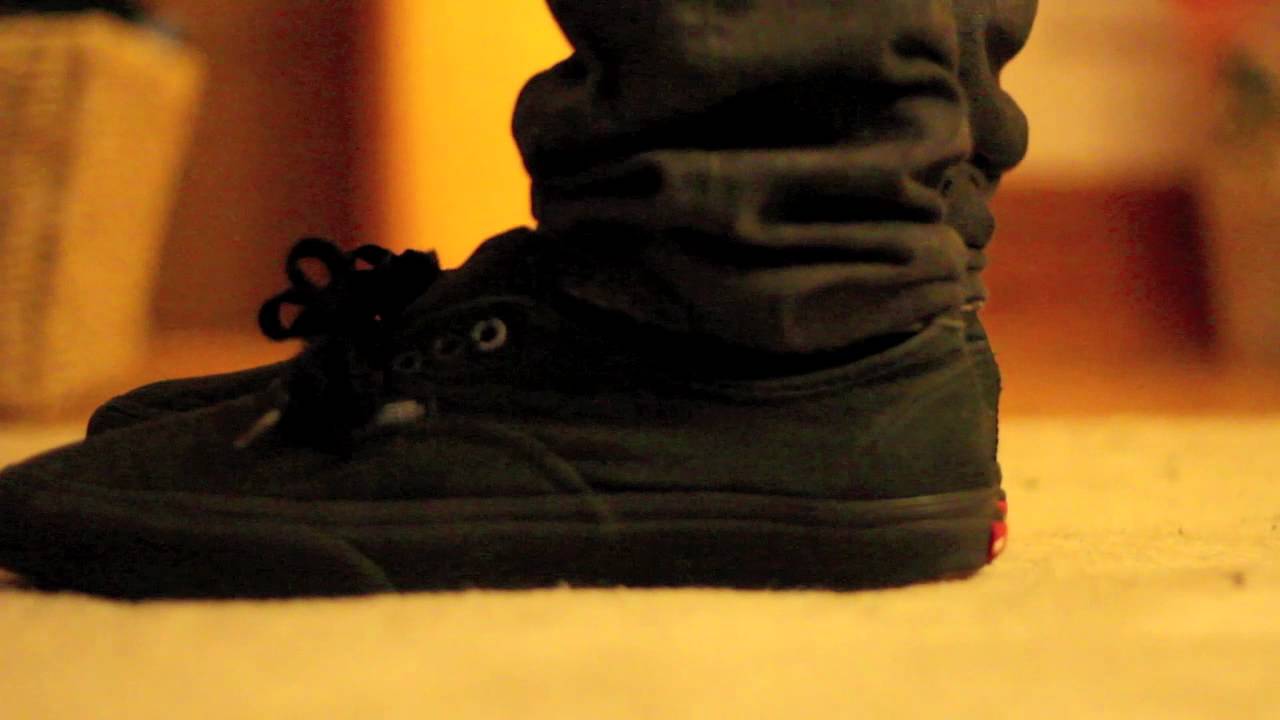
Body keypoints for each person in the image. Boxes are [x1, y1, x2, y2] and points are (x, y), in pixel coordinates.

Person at [0, 0, 1036, 599]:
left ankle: (740, 307)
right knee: (883, 242)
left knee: (803, 242)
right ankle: (860, 301)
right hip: (869, 312)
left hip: (729, 329)